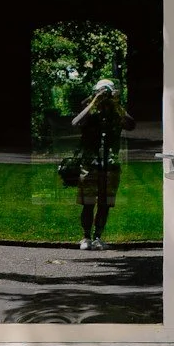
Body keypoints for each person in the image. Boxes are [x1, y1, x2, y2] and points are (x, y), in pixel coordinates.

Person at [70, 78, 135, 250]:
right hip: (90, 163)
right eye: (101, 92)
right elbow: (76, 123)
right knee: (88, 202)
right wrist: (94, 102)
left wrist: (116, 104)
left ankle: (98, 236)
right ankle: (85, 237)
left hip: (110, 164)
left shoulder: (116, 112)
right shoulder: (89, 109)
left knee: (105, 203)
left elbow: (131, 125)